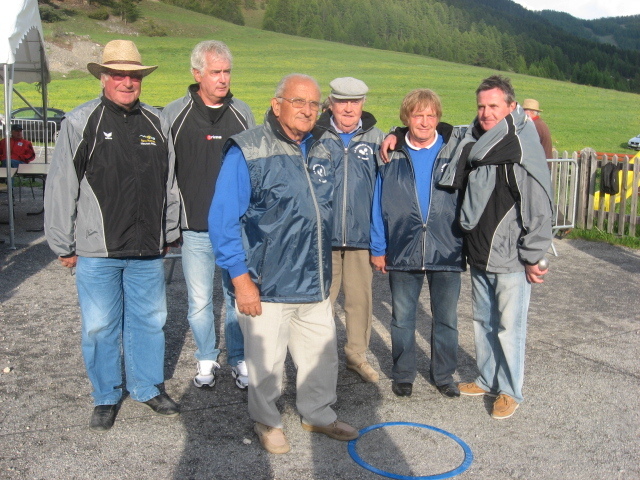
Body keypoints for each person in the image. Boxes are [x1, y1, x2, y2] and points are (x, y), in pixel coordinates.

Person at [209, 74, 358, 454]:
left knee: (320, 358)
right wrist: (241, 281)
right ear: (277, 105)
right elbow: (223, 220)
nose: (307, 110)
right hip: (267, 283)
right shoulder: (248, 150)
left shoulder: (322, 149)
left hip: (314, 280)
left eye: (313, 104)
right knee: (266, 366)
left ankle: (318, 414)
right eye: (298, 102)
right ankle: (267, 422)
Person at [44, 39, 181, 433]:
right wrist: (63, 244)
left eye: (133, 75)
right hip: (97, 249)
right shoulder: (79, 122)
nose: (127, 82)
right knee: (99, 325)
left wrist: (169, 229)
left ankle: (145, 386)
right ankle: (106, 395)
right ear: (103, 78)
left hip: (148, 251)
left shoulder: (158, 123)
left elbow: (170, 184)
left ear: (141, 79)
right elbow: (61, 186)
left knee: (150, 321)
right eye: (118, 74)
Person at [439, 75, 553, 419]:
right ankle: (487, 378)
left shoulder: (520, 146)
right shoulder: (476, 139)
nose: (486, 113)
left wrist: (534, 256)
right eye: (481, 106)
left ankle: (509, 391)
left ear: (511, 107)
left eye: (493, 106)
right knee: (483, 322)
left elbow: (538, 205)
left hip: (510, 257)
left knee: (510, 328)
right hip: (479, 251)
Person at [162, 40, 255, 390]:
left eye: (227, 71)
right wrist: (172, 224)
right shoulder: (173, 114)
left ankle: (239, 359)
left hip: (235, 229)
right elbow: (165, 174)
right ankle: (205, 358)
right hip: (195, 229)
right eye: (215, 72)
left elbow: (253, 169)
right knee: (200, 302)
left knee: (236, 298)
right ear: (197, 73)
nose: (222, 79)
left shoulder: (243, 113)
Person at [371, 89, 466, 399]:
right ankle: (402, 374)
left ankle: (443, 375)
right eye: (417, 115)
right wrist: (378, 246)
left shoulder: (455, 151)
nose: (425, 122)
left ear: (438, 119)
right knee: (402, 318)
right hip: (403, 245)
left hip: (447, 245)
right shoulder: (390, 153)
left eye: (431, 115)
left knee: (447, 319)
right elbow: (377, 203)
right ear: (406, 118)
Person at [316, 77, 384, 383]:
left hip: (360, 238)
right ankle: (320, 359)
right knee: (320, 302)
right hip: (323, 237)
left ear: (363, 104)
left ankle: (356, 355)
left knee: (359, 300)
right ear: (331, 102)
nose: (348, 108)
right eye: (342, 101)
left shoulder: (378, 140)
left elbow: (384, 193)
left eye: (354, 102)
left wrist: (380, 242)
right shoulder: (315, 136)